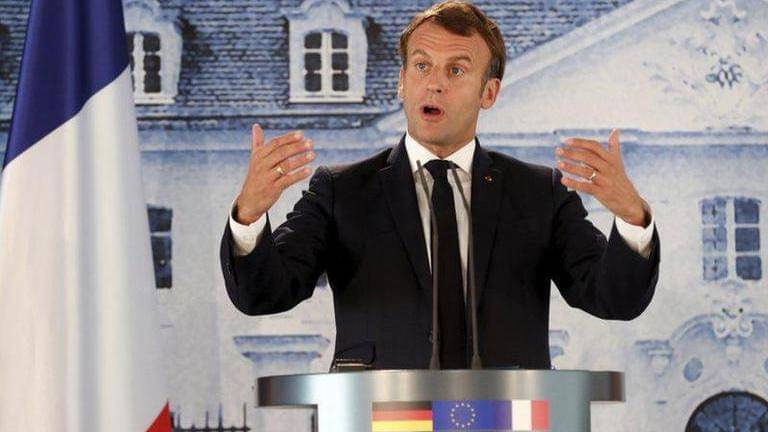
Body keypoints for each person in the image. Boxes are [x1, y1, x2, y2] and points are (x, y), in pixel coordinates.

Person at [220, 0, 659, 370]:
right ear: (402, 82)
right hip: (381, 417)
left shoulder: (539, 193)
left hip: (503, 417)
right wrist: (249, 217)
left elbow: (612, 298)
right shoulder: (341, 192)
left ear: (489, 93)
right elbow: (265, 295)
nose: (433, 83)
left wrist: (632, 220)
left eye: (456, 70)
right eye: (422, 66)